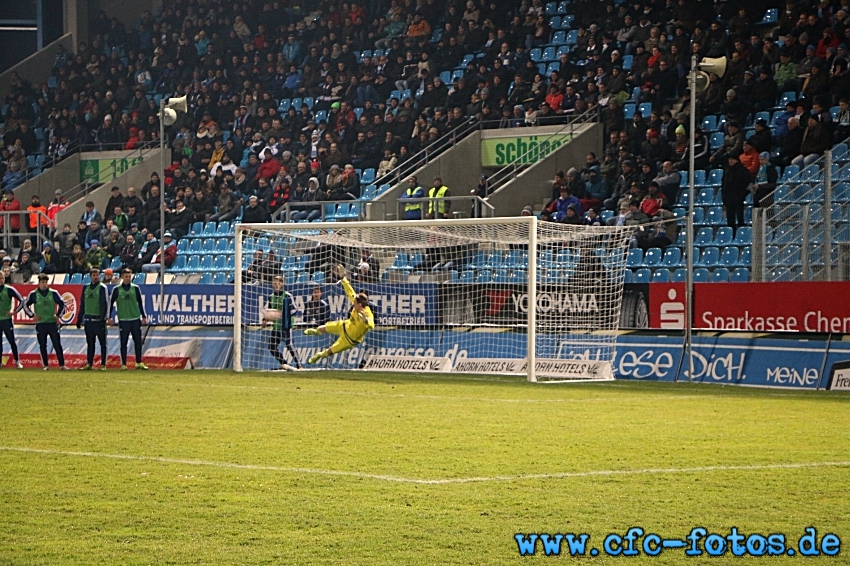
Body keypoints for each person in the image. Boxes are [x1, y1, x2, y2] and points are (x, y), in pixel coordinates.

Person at [304, 265, 374, 364]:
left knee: (329, 352)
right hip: (344, 325)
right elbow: (350, 291)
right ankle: (316, 331)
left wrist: (366, 321)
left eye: (355, 303)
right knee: (323, 328)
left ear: (359, 304)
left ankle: (319, 355)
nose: (353, 303)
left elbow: (371, 324)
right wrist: (343, 278)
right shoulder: (356, 301)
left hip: (349, 340)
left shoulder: (367, 313)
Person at [109, 268, 149, 370]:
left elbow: (140, 303)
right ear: (122, 277)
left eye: (129, 276)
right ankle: (124, 364)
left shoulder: (135, 288)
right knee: (123, 342)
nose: (128, 278)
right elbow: (110, 304)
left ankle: (138, 362)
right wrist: (109, 317)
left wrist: (143, 316)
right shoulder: (117, 290)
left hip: (135, 319)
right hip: (123, 320)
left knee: (138, 342)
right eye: (126, 276)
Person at [25, 274, 67, 370]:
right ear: (39, 283)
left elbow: (62, 304)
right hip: (40, 323)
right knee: (42, 345)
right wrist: (32, 315)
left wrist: (58, 315)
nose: (44, 284)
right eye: (42, 282)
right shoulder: (33, 294)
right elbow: (25, 305)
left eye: (45, 282)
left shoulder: (53, 293)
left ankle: (62, 365)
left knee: (57, 344)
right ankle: (46, 365)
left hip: (52, 322)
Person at [264, 275, 301, 370]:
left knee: (289, 344)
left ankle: (299, 365)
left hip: (286, 324)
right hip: (276, 326)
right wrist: (266, 319)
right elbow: (271, 311)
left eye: (278, 283)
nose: (276, 285)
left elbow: (295, 309)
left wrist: (286, 314)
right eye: (274, 283)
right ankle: (284, 364)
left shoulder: (288, 296)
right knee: (272, 347)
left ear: (282, 284)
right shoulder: (271, 297)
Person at [76, 267, 109, 370]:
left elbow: (105, 304)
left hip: (98, 320)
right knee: (90, 343)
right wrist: (79, 318)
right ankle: (89, 363)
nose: (96, 277)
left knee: (102, 343)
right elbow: (82, 304)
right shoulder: (86, 288)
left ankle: (103, 364)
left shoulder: (102, 287)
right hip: (88, 320)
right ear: (90, 276)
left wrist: (103, 318)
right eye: (94, 275)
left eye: (97, 275)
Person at [0, 270, 29, 368]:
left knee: (11, 341)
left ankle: (17, 361)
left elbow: (22, 300)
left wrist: (14, 311)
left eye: (3, 278)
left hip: (6, 320)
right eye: (0, 278)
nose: (1, 280)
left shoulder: (9, 289)